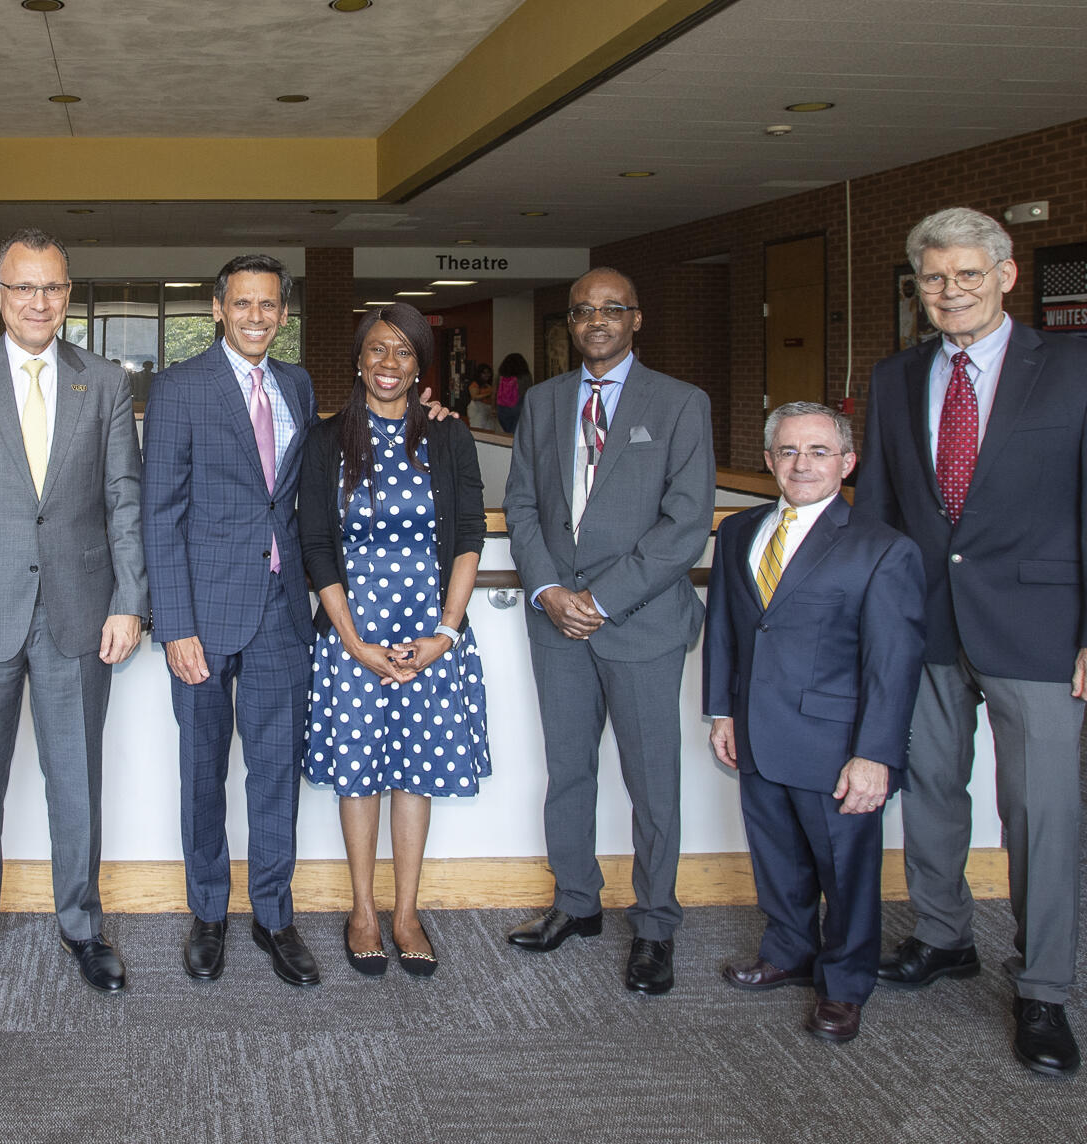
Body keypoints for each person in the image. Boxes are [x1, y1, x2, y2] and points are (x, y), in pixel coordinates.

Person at [853, 207, 1087, 1076]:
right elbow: (879, 511)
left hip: (1043, 630)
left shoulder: (1081, 370)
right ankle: (945, 937)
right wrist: (874, 620)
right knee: (933, 794)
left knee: (1040, 811)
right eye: (935, 279)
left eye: (967, 276)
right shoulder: (894, 377)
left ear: (1007, 276)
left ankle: (1045, 987)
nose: (950, 293)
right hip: (928, 624)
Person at [0, 228, 147, 997]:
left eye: (52, 288)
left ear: (68, 296)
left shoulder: (105, 381)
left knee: (75, 781)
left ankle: (83, 925)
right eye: (23, 287)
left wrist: (130, 602)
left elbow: (123, 501)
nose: (38, 301)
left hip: (80, 612)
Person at [502, 266, 715, 995]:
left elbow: (686, 522)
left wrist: (603, 597)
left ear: (636, 318)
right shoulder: (544, 402)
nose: (596, 320)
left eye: (612, 309)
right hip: (558, 624)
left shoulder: (682, 404)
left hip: (641, 624)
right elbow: (523, 505)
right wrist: (550, 590)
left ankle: (655, 925)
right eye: (583, 311)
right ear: (570, 322)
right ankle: (576, 902)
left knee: (653, 785)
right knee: (568, 773)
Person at [704, 402, 926, 1043]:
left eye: (819, 452)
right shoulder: (740, 531)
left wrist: (875, 755)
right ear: (770, 460)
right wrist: (722, 710)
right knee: (777, 857)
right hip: (755, 730)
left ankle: (846, 985)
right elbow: (725, 628)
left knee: (846, 873)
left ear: (847, 462)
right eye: (789, 452)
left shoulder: (883, 550)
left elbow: (893, 665)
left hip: (836, 744)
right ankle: (788, 952)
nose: (802, 464)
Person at [141, 255, 322, 986]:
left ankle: (274, 915)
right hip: (204, 618)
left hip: (283, 611)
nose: (256, 316)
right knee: (203, 770)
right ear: (217, 308)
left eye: (269, 305)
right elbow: (161, 515)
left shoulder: (299, 385)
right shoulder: (179, 389)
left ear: (283, 313)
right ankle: (209, 912)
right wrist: (175, 624)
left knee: (277, 771)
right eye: (242, 303)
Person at [299, 303, 490, 978]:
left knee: (417, 773)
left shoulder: (448, 437)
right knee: (360, 776)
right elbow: (316, 545)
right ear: (359, 360)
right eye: (378, 350)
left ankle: (406, 911)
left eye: (404, 352)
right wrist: (352, 641)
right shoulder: (326, 441)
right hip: (354, 633)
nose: (389, 363)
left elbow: (469, 536)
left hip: (430, 633)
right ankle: (361, 908)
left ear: (419, 367)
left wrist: (445, 633)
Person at [495, 352, 532, 434]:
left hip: (502, 407)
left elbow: (495, 391)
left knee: (507, 431)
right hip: (518, 406)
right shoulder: (525, 376)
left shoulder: (500, 376)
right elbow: (528, 392)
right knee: (516, 433)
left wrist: (493, 408)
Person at [466, 361, 497, 431]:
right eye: (484, 373)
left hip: (488, 409)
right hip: (478, 409)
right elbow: (474, 397)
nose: (487, 375)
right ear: (479, 374)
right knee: (478, 428)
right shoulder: (475, 384)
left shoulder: (490, 385)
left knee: (490, 429)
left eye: (488, 373)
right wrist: (490, 393)